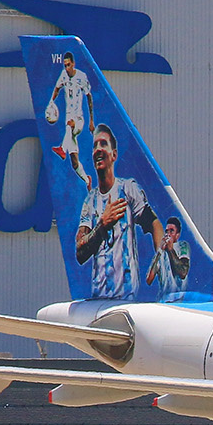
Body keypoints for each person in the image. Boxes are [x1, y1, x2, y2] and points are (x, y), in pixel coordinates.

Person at [73, 124, 163, 298]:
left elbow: (154, 223)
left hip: (126, 296)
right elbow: (80, 253)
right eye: (95, 146)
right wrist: (102, 225)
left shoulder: (127, 189)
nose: (98, 149)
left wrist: (159, 259)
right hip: (98, 298)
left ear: (114, 154)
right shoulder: (90, 202)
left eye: (103, 144)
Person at [45, 52, 93, 191]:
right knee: (74, 161)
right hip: (68, 119)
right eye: (65, 65)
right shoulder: (63, 75)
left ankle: (62, 148)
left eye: (68, 65)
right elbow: (57, 88)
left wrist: (91, 121)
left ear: (73, 63)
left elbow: (89, 96)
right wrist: (51, 102)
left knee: (70, 124)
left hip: (78, 120)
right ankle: (86, 179)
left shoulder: (81, 77)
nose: (67, 68)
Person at [145, 214, 192, 299]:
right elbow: (149, 280)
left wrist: (170, 249)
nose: (168, 234)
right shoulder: (161, 253)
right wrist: (159, 251)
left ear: (177, 235)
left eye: (171, 231)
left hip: (178, 300)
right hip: (163, 300)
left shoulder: (182, 246)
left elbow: (183, 273)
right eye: (166, 231)